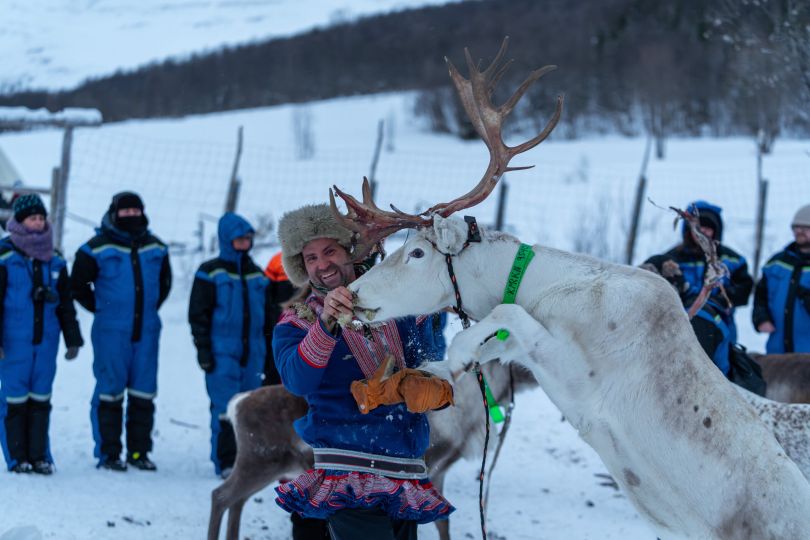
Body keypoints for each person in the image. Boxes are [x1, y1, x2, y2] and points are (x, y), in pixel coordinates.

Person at [272, 204, 454, 540]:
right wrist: (326, 325)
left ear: (350, 253)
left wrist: (432, 388)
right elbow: (297, 381)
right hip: (346, 471)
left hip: (404, 468)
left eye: (329, 251)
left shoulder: (401, 307)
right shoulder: (297, 322)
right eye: (310, 258)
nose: (322, 264)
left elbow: (431, 361)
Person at [71, 191, 171, 472]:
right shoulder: (95, 248)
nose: (130, 216)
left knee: (143, 393)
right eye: (124, 212)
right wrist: (103, 308)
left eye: (135, 211)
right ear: (114, 213)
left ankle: (139, 453)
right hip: (110, 332)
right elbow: (77, 285)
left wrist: (147, 309)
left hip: (147, 331)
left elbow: (164, 284)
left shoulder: (157, 247)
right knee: (110, 393)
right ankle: (109, 453)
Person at [0, 194, 83, 474]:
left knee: (40, 400)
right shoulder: (5, 256)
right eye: (31, 218)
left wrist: (73, 338)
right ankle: (17, 457)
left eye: (40, 218)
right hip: (13, 344)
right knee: (15, 401)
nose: (37, 223)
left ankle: (39, 456)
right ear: (20, 221)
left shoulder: (55, 259)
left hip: (45, 343)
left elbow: (66, 303)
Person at [188, 212, 273, 478]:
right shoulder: (210, 272)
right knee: (226, 408)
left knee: (250, 409)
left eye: (247, 239)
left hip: (254, 351)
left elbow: (269, 315)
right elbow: (198, 315)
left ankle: (248, 459)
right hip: (222, 351)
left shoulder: (257, 274)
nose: (244, 244)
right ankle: (226, 461)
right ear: (226, 240)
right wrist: (203, 349)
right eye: (238, 240)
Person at [643, 200, 753, 341]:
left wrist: (721, 301)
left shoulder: (732, 259)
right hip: (677, 329)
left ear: (716, 231)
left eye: (709, 228)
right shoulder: (671, 259)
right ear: (689, 229)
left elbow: (744, 289)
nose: (703, 232)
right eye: (699, 227)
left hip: (720, 327)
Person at [753, 204, 810, 353]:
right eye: (797, 227)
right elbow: (760, 297)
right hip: (777, 354)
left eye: (806, 228)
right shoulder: (776, 263)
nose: (800, 232)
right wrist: (761, 318)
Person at [262, 251, 296, 386]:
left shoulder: (310, 253)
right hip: (277, 325)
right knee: (274, 370)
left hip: (306, 322)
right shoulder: (276, 261)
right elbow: (266, 296)